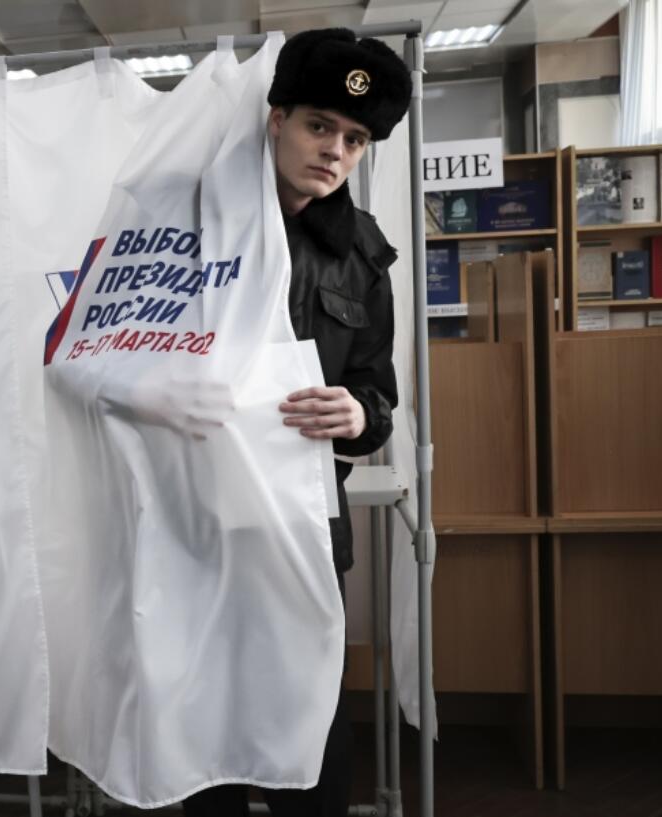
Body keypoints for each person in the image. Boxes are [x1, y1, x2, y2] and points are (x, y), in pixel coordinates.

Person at [182, 27, 410, 817]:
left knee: (311, 732)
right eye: (320, 125)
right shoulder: (189, 228)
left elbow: (379, 396)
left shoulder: (361, 258)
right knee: (204, 726)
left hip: (307, 525)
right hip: (197, 523)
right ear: (276, 118)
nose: (335, 151)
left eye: (354, 139)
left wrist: (357, 413)